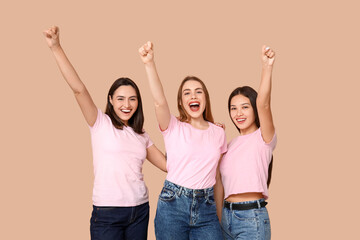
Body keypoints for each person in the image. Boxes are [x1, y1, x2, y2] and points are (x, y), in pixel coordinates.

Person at [43, 26, 166, 240]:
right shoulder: (100, 122)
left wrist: (204, 128)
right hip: (107, 213)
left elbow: (168, 165)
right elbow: (78, 89)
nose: (127, 105)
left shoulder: (141, 134)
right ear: (110, 100)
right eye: (120, 99)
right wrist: (56, 47)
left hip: (139, 210)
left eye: (132, 99)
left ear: (138, 102)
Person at [138, 41, 227, 240]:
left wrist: (219, 217)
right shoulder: (173, 126)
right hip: (173, 205)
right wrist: (149, 63)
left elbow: (218, 179)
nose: (193, 96)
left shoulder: (219, 132)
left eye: (198, 91)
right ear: (181, 102)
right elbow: (159, 101)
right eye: (187, 93)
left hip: (207, 208)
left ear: (205, 98)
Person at [218, 46, 277, 240]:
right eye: (233, 108)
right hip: (226, 216)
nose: (238, 113)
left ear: (254, 108)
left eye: (245, 107)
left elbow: (264, 104)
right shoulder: (229, 145)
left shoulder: (264, 138)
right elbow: (217, 183)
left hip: (252, 218)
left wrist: (266, 67)